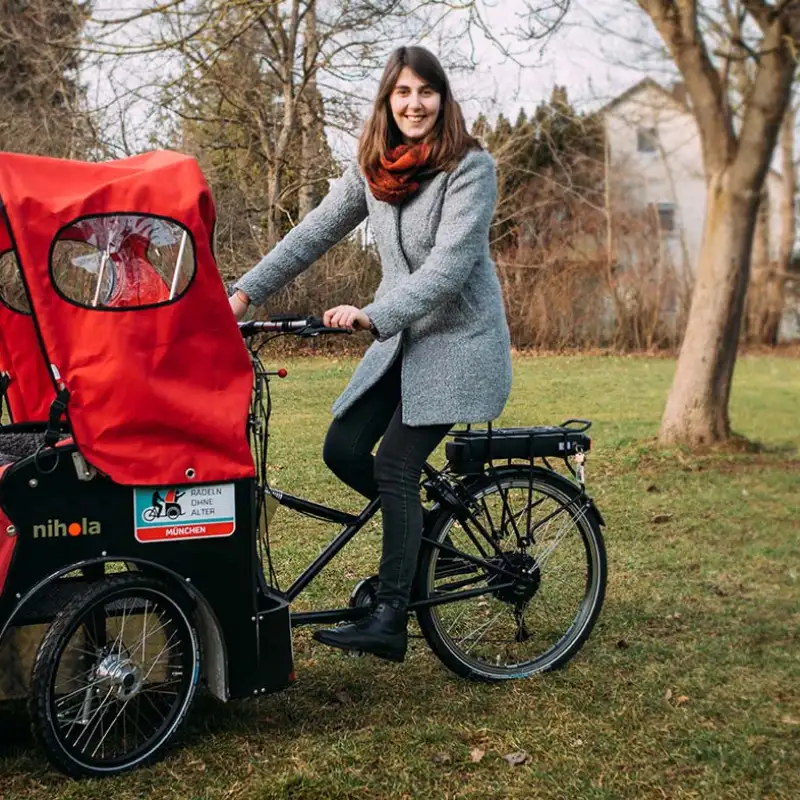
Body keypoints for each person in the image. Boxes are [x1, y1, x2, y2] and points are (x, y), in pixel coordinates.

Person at [229, 45, 512, 663]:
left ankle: (390, 617)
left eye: (426, 93)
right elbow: (313, 231)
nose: (415, 104)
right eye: (403, 93)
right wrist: (245, 294)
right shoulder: (374, 169)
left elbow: (448, 268)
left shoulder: (469, 166)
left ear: (443, 99)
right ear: (388, 100)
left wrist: (371, 314)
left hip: (458, 344)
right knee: (343, 449)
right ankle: (425, 536)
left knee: (394, 467)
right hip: (401, 344)